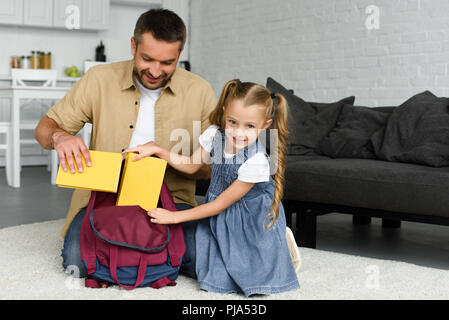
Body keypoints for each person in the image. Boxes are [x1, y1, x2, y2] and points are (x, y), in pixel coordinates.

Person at [34, 9, 217, 278]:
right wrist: (60, 136)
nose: (155, 71)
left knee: (202, 260)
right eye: (147, 59)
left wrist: (165, 159)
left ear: (179, 55)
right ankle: (151, 259)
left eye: (167, 62)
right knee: (77, 262)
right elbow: (43, 129)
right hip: (103, 199)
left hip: (171, 202)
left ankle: (136, 258)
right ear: (133, 46)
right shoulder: (99, 79)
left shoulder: (199, 91)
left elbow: (209, 167)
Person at [123, 79, 301, 296]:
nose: (238, 133)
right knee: (202, 262)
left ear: (265, 125)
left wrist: (174, 216)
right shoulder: (216, 135)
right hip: (218, 211)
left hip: (248, 219)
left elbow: (219, 205)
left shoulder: (256, 161)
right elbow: (191, 166)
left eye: (250, 126)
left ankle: (276, 241)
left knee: (239, 276)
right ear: (225, 112)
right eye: (233, 122)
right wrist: (157, 150)